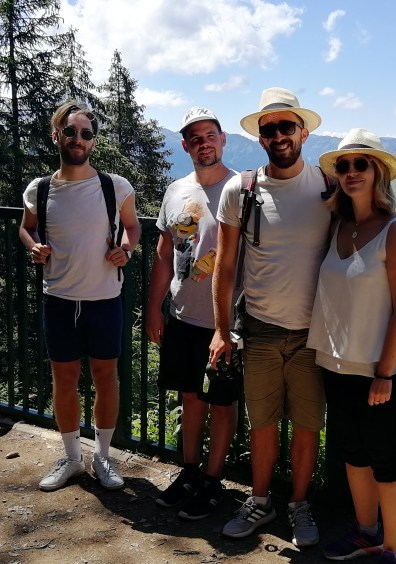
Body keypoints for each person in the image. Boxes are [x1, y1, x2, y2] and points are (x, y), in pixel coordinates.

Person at [210, 87, 330, 547]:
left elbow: (369, 241)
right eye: (269, 129)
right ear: (260, 137)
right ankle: (261, 501)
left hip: (312, 332)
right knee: (262, 423)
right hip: (258, 329)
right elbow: (224, 267)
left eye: (286, 126)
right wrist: (222, 331)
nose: (278, 135)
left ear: (303, 131)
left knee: (306, 425)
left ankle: (298, 505)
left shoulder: (329, 187)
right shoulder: (241, 191)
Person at [308, 129, 396, 564]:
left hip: (382, 367)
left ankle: (394, 550)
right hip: (337, 361)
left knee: (385, 456)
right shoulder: (339, 226)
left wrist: (384, 373)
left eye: (361, 164)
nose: (351, 172)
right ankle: (367, 532)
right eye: (344, 165)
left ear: (378, 173)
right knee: (353, 453)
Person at [18, 102, 141, 492]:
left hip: (105, 297)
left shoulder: (114, 186)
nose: (78, 140)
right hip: (59, 297)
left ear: (93, 141)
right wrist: (33, 245)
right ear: (56, 136)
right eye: (71, 132)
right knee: (64, 379)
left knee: (107, 377)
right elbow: (27, 228)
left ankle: (103, 457)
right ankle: (72, 458)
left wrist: (127, 249)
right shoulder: (40, 189)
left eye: (86, 134)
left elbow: (133, 227)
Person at [146, 107, 238, 520]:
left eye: (210, 135)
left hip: (227, 322)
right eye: (195, 138)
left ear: (223, 139)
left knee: (221, 402)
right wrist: (153, 308)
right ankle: (189, 472)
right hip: (183, 314)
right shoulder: (175, 191)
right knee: (190, 396)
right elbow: (165, 255)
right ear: (186, 146)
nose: (204, 142)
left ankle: (214, 481)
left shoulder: (243, 189)